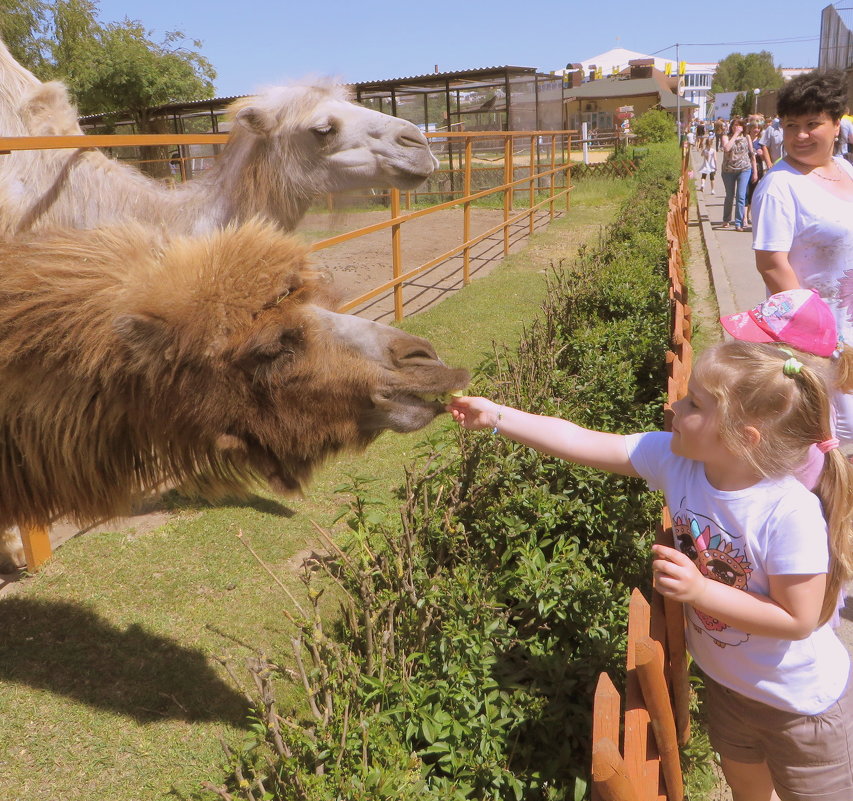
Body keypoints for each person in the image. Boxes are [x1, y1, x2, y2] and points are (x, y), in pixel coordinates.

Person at [448, 340, 853, 801]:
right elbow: (582, 441)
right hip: (728, 688)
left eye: (695, 403)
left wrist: (700, 592)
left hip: (801, 707)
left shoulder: (788, 511)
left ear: (745, 436)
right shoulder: (676, 461)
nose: (675, 405)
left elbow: (797, 620)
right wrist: (496, 415)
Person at [751, 69, 853, 448]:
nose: (800, 135)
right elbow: (772, 265)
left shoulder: (845, 170)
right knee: (831, 440)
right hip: (818, 341)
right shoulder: (780, 186)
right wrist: (819, 342)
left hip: (849, 322)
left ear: (836, 124)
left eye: (813, 124)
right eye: (792, 125)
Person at [720, 116, 757, 231]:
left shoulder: (747, 137)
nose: (736, 127)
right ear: (731, 126)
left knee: (741, 196)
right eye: (734, 125)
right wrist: (735, 135)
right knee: (730, 196)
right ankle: (726, 219)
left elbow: (752, 154)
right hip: (728, 170)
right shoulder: (726, 137)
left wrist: (755, 171)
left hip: (744, 169)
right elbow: (727, 148)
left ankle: (738, 223)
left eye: (739, 125)